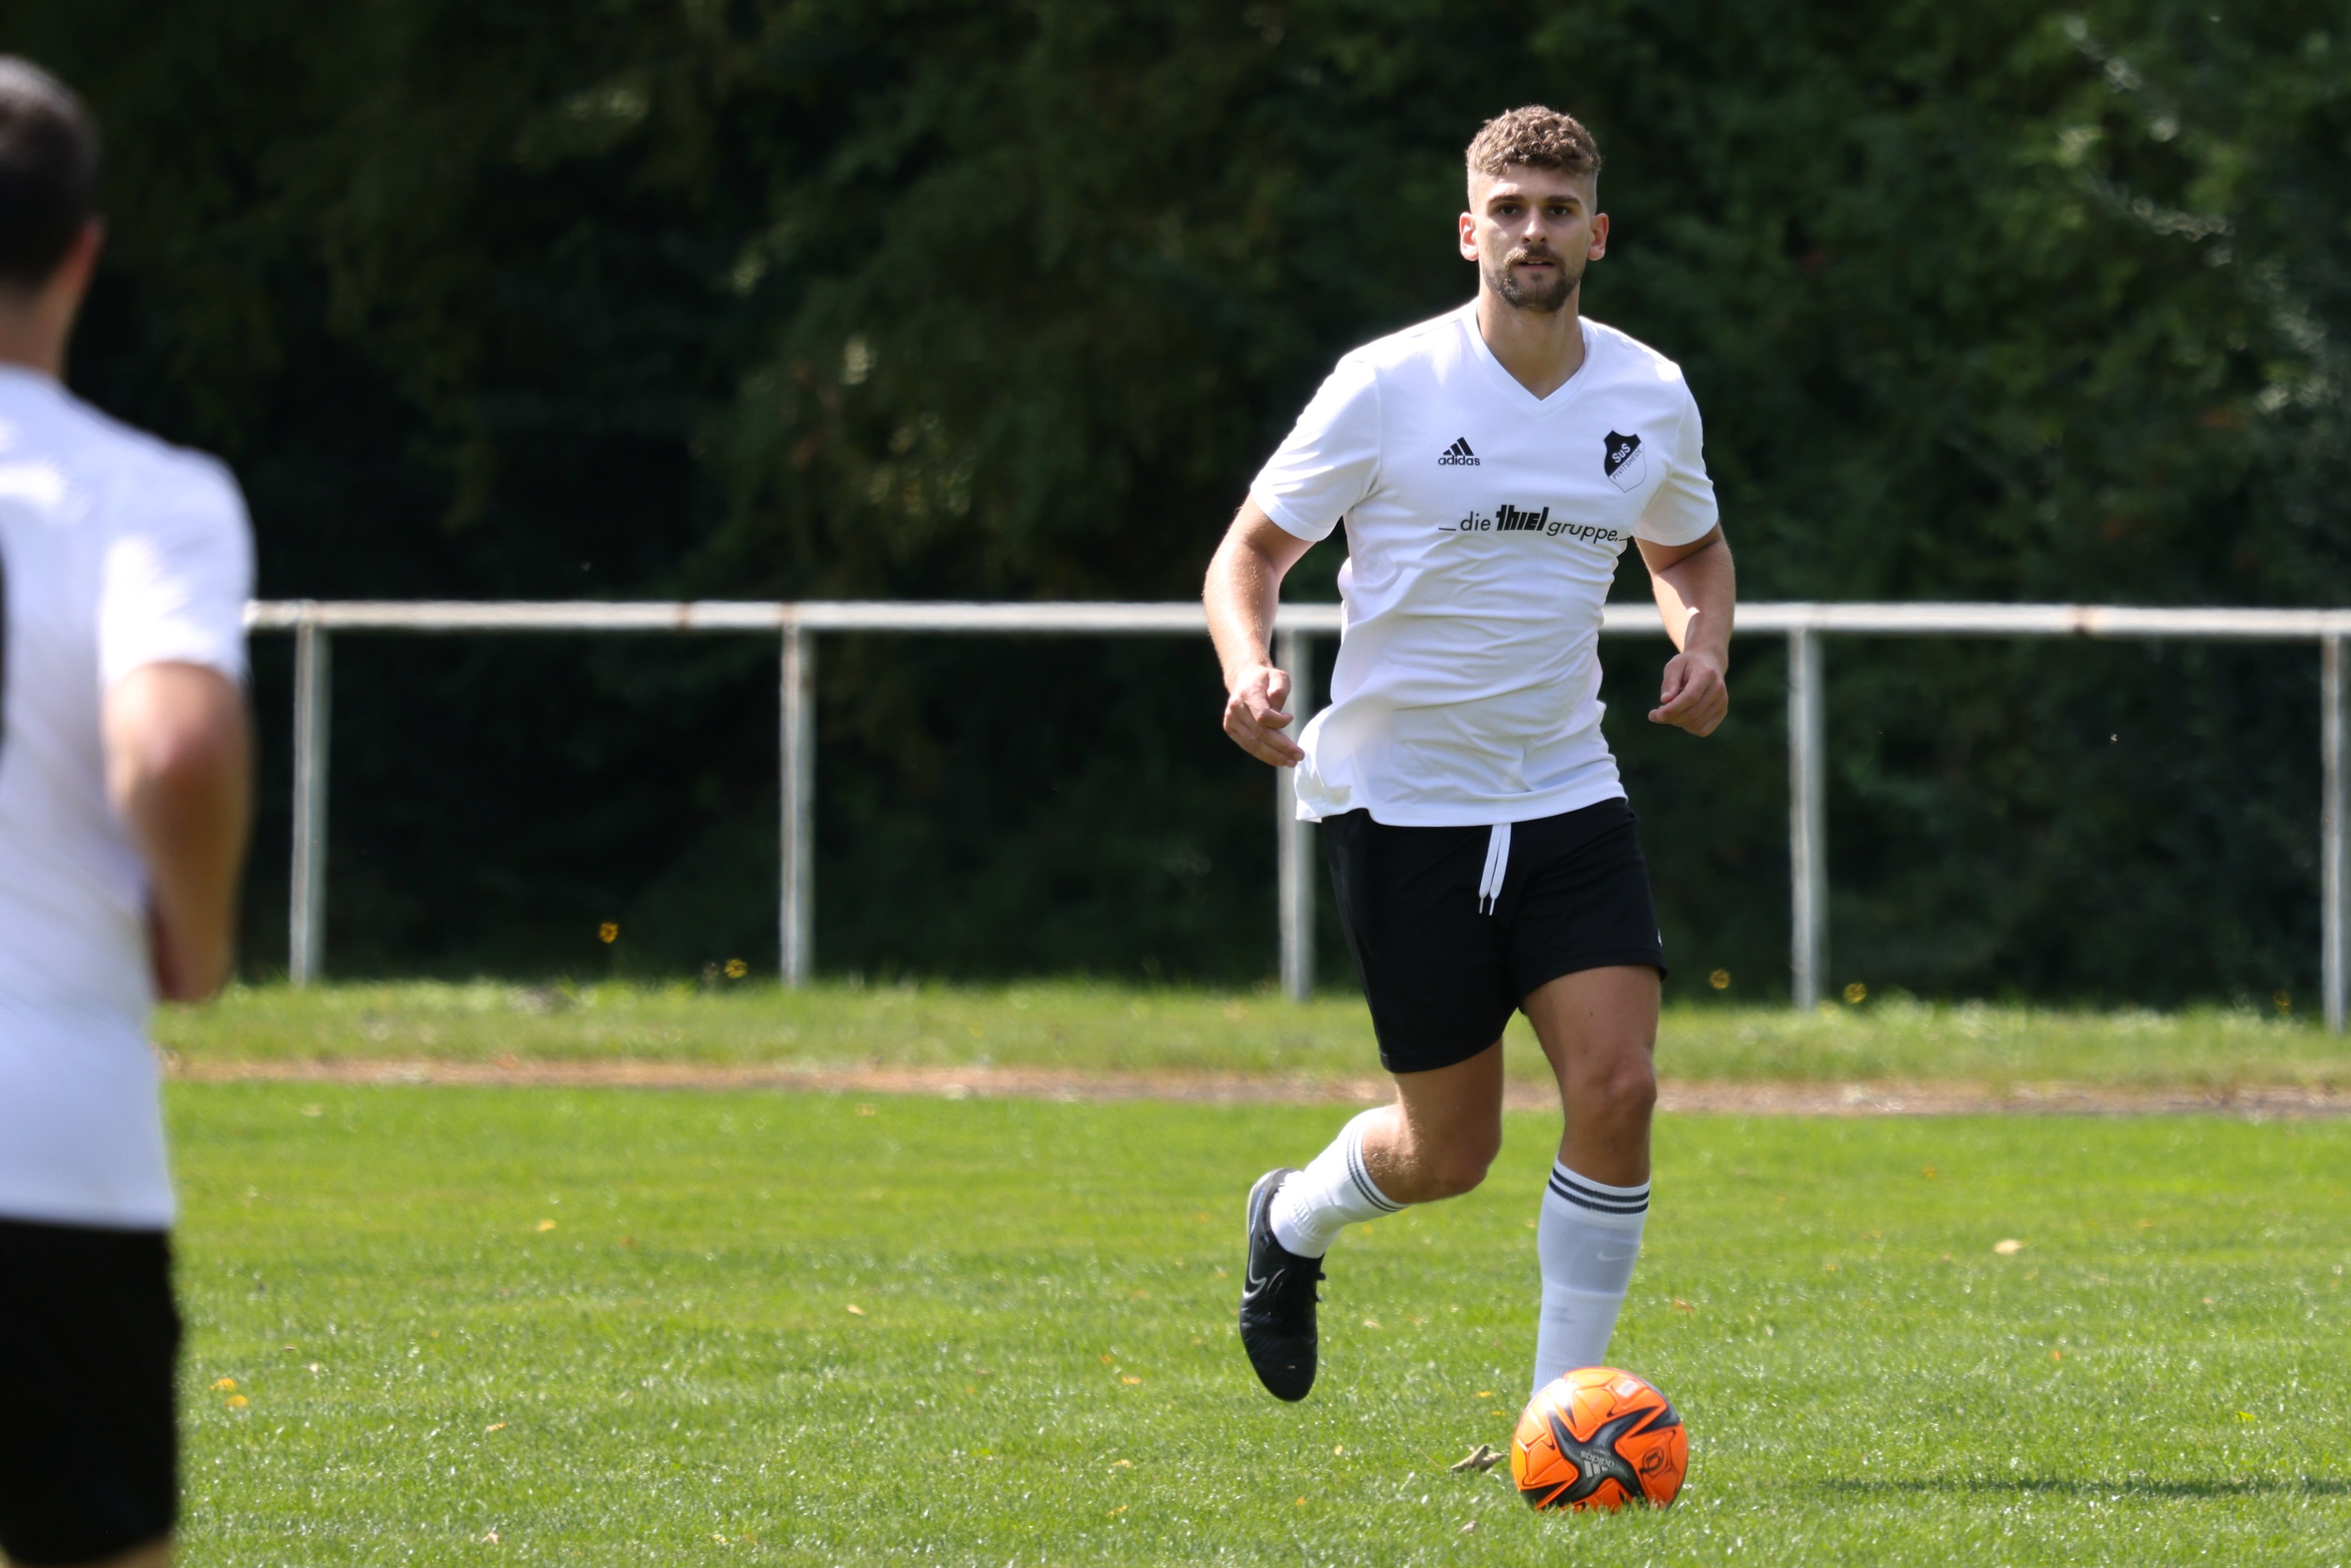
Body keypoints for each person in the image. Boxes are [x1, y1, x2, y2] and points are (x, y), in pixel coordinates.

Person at [1203, 105, 1734, 1403]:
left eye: (1558, 210)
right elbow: (1251, 553)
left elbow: (1688, 549)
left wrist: (1705, 644)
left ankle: (1566, 1419)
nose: (1532, 231)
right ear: (1468, 231)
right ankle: (1293, 1216)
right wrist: (1247, 668)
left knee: (1619, 1085)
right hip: (1404, 807)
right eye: (1509, 210)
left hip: (1568, 792)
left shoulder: (1649, 393)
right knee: (1449, 1152)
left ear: (1597, 234)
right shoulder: (1388, 384)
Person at [0, 58, 255, 1568]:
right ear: (83, 251)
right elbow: (174, 748)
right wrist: (199, 940)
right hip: (51, 1138)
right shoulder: (147, 498)